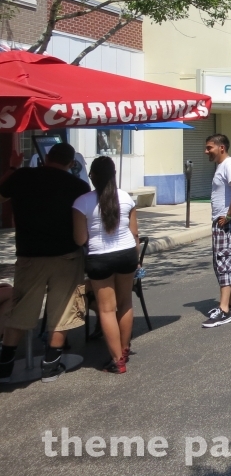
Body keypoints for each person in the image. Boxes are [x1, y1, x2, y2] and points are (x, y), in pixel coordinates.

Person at [0, 143, 90, 383]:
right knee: (63, 309)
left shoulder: (21, 176)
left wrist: (12, 167)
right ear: (71, 163)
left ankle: (6, 362)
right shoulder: (78, 187)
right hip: (67, 256)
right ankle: (51, 365)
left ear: (46, 157)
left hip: (30, 255)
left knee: (21, 308)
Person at [72, 157, 139, 374]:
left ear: (92, 176)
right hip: (127, 253)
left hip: (99, 257)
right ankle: (125, 350)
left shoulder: (81, 202)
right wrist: (137, 259)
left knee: (107, 309)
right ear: (114, 175)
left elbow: (80, 239)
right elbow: (135, 233)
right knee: (125, 303)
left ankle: (117, 361)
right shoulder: (126, 198)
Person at [202, 134, 231, 328]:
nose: (206, 151)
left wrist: (228, 215)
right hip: (225, 220)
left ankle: (224, 311)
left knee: (223, 261)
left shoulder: (229, 165)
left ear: (221, 148)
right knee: (230, 260)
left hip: (228, 221)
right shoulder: (222, 166)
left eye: (209, 147)